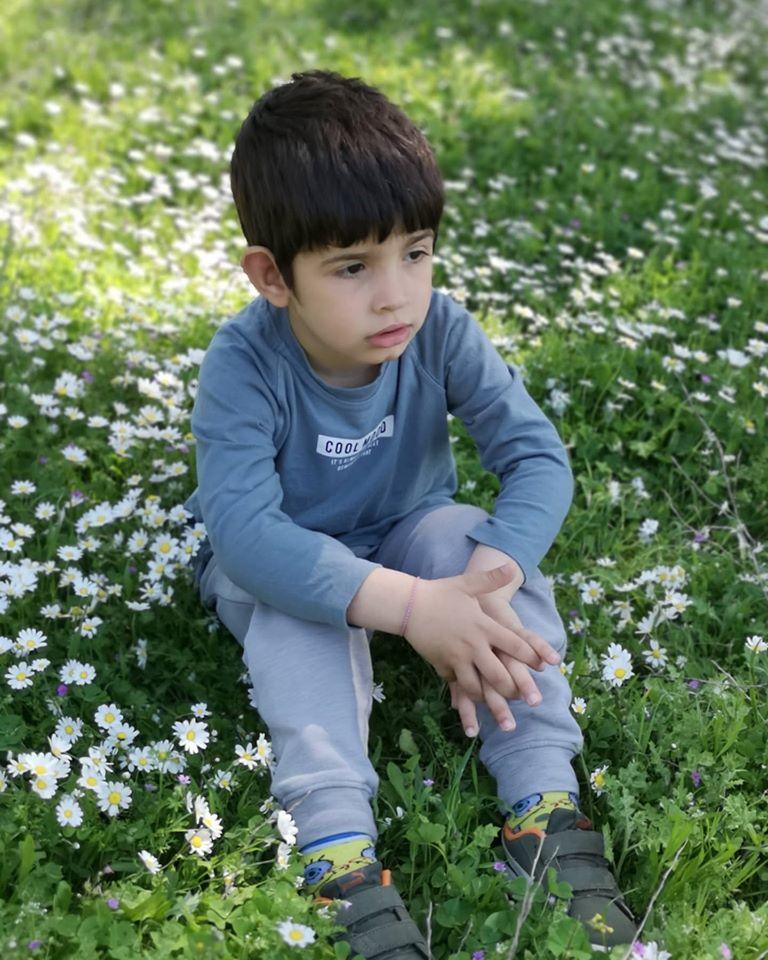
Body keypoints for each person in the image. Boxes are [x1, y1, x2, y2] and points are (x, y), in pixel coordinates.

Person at [184, 68, 637, 958]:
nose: (396, 294)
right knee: (300, 611)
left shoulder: (441, 329)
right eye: (353, 267)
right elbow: (247, 536)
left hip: (405, 533)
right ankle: (338, 857)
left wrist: (482, 583)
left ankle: (544, 803)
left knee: (465, 537)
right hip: (284, 565)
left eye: (417, 252)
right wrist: (413, 606)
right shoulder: (242, 365)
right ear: (273, 276)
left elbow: (536, 459)